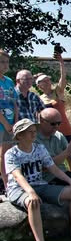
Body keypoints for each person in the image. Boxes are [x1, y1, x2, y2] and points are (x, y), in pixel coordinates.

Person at [5, 119, 71, 241]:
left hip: (40, 185)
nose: (33, 134)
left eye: (34, 131)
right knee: (33, 203)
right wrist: (31, 193)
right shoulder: (11, 154)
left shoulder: (39, 148)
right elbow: (18, 176)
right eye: (29, 131)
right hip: (19, 189)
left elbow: (53, 168)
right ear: (19, 135)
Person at [35, 49, 71, 141]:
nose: (48, 82)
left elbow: (63, 77)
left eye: (48, 80)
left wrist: (61, 61)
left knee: (69, 153)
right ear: (39, 85)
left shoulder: (58, 92)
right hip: (48, 132)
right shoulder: (39, 99)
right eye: (44, 81)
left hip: (64, 129)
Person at [0, 49, 19, 192]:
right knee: (3, 153)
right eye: (2, 62)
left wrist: (16, 122)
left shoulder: (9, 81)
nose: (5, 65)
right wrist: (5, 123)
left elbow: (14, 102)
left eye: (7, 62)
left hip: (12, 123)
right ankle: (6, 184)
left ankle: (13, 181)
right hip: (2, 124)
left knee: (11, 153)